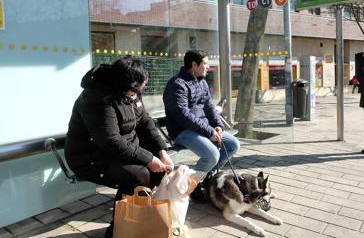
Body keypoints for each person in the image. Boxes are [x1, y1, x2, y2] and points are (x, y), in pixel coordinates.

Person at [64, 56, 173, 238]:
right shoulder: (97, 98)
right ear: (125, 85)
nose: (141, 91)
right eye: (138, 88)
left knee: (159, 170)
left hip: (116, 150)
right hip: (88, 157)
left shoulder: (130, 92)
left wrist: (161, 151)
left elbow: (146, 122)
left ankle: (136, 218)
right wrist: (149, 159)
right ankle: (117, 230)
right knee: (139, 175)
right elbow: (111, 141)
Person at [163, 50, 240, 200]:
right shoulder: (177, 85)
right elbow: (183, 115)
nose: (208, 67)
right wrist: (209, 131)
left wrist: (218, 126)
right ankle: (189, 185)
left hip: (203, 129)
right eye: (205, 63)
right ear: (194, 65)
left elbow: (209, 107)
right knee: (212, 155)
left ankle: (206, 178)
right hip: (182, 131)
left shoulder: (202, 82)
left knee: (233, 144)